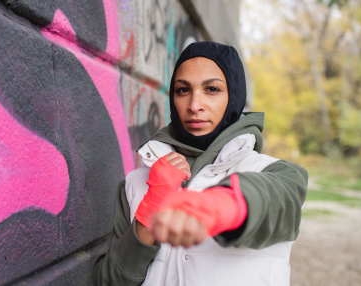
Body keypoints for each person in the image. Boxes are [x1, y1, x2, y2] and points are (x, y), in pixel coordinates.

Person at [93, 41, 308, 286]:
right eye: (183, 90)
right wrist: (149, 209)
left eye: (212, 89)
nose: (195, 105)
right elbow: (107, 282)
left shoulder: (276, 172)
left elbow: (279, 202)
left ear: (234, 95)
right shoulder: (135, 183)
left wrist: (220, 205)